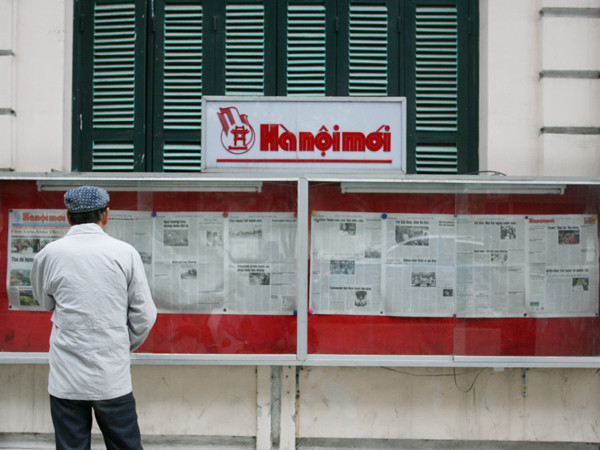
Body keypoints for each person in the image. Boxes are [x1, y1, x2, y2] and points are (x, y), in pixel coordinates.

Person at [31, 186, 157, 450]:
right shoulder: (125, 253)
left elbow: (45, 302)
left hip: (66, 376)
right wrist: (122, 343)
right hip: (112, 375)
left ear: (68, 216)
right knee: (125, 445)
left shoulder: (49, 254)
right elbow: (145, 314)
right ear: (106, 215)